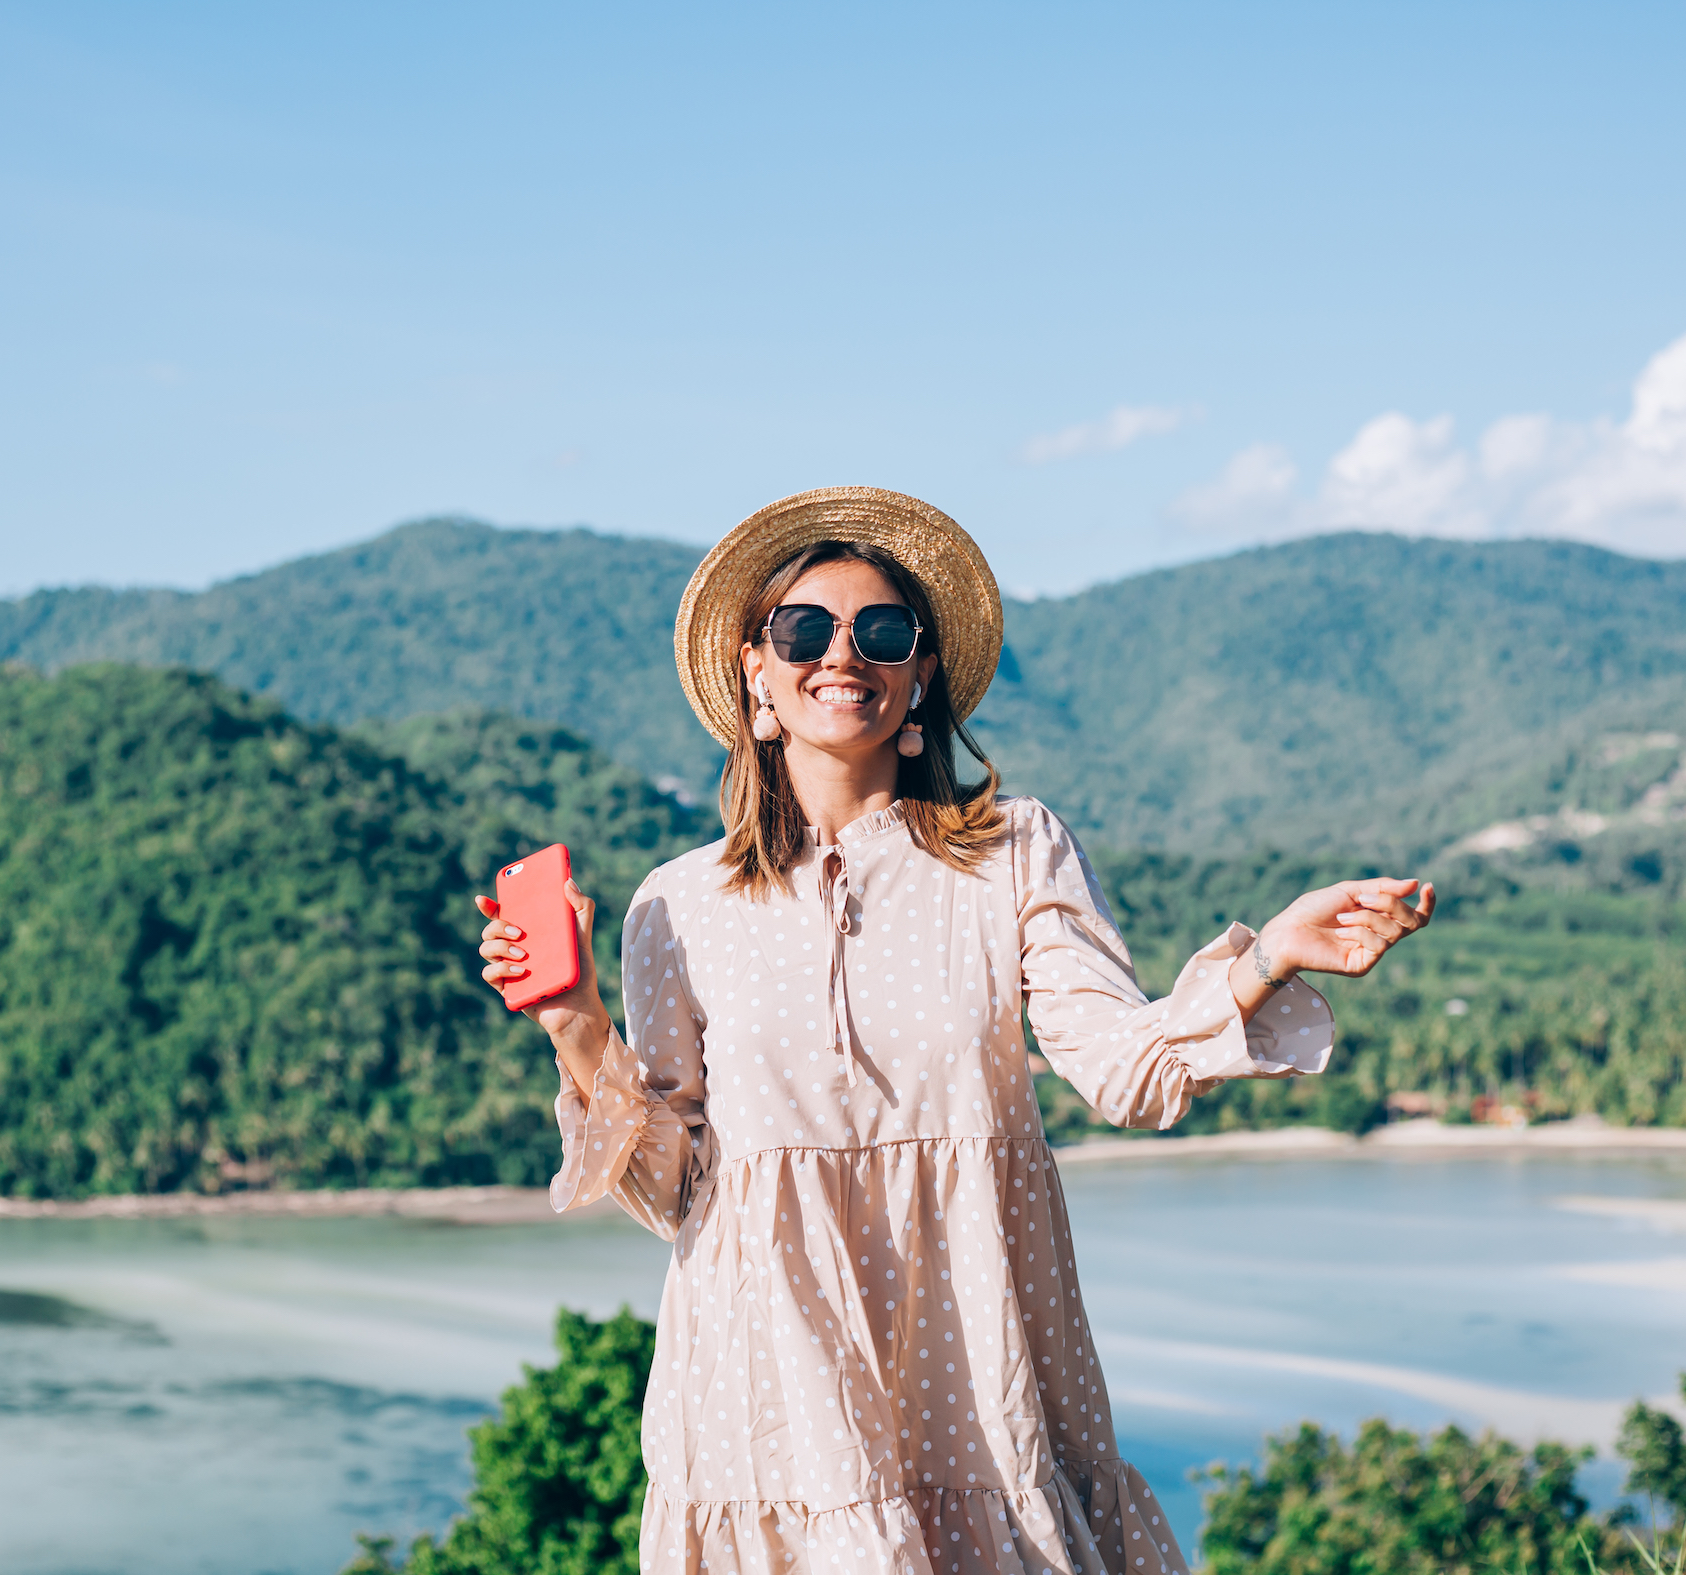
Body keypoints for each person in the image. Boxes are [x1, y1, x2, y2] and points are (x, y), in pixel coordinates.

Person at [474, 487, 1432, 1575]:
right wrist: (574, 1024)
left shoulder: (1014, 853)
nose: (845, 653)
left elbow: (1125, 1075)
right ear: (756, 672)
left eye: (883, 632)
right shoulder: (673, 906)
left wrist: (1269, 959)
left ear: (920, 674)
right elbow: (676, 1191)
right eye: (804, 629)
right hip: (765, 1393)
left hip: (980, 1371)